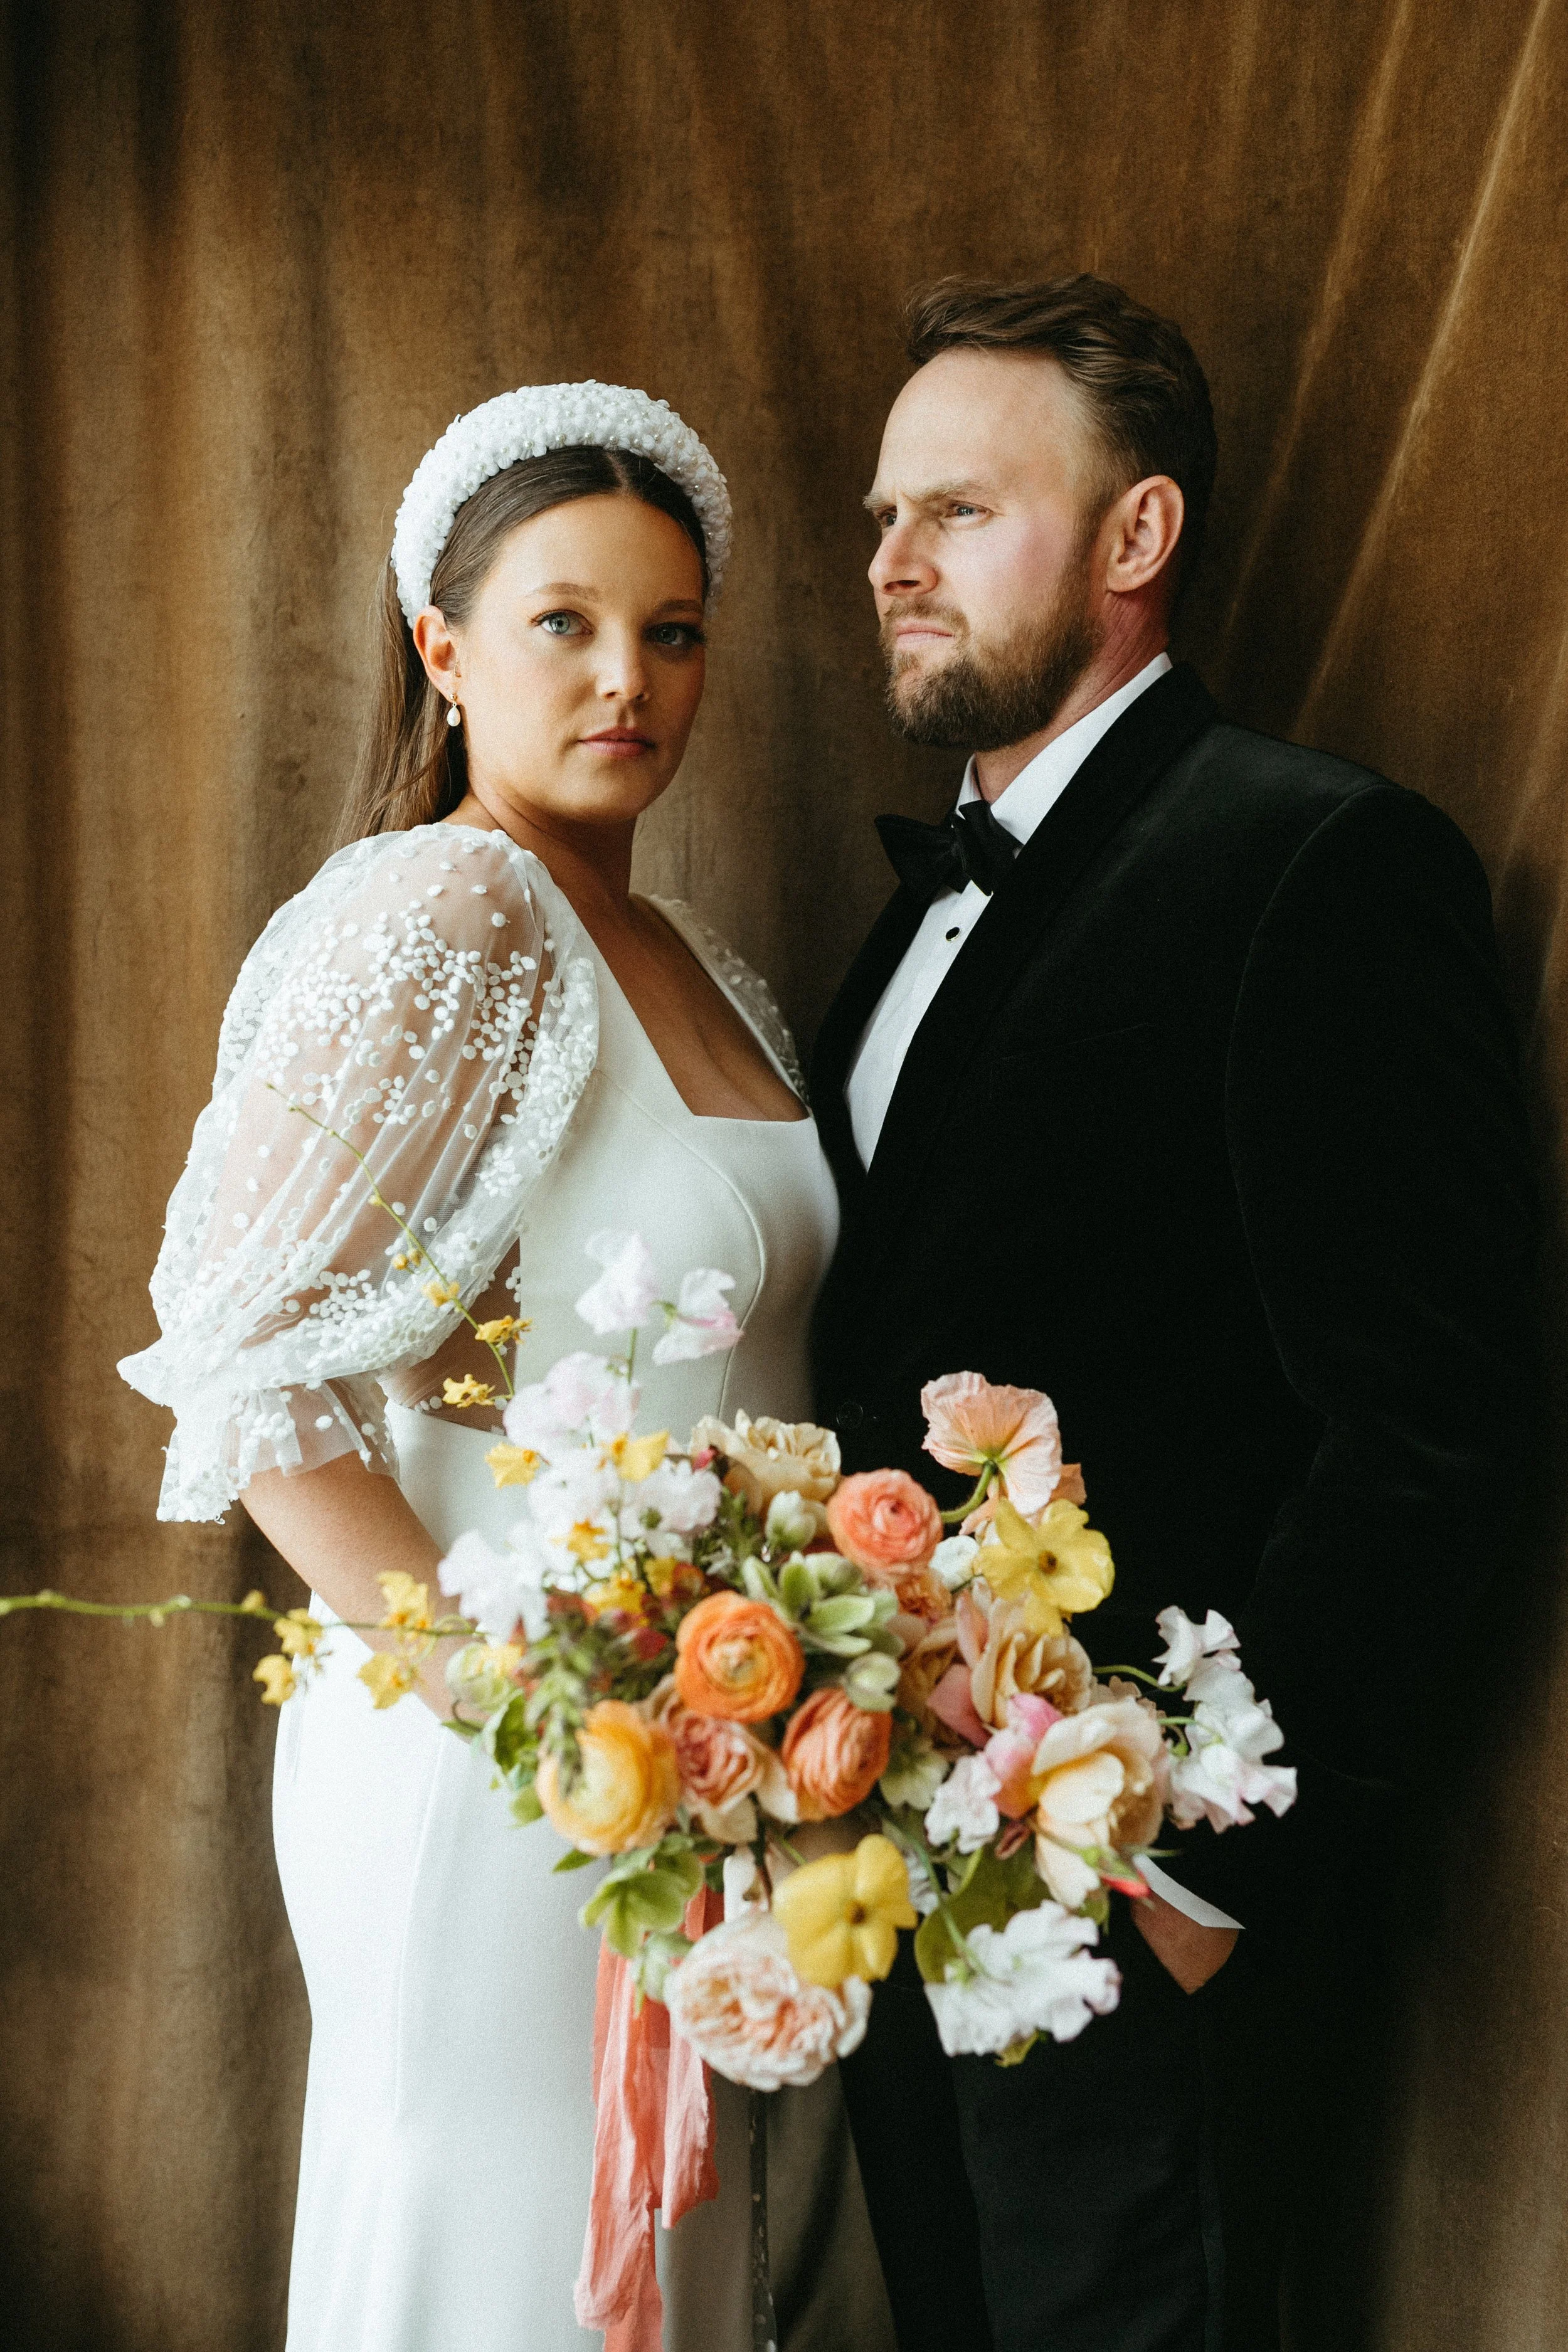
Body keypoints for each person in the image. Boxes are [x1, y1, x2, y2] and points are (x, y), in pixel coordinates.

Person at [119, 384, 893, 2352]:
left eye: (673, 629)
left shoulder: (694, 956)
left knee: (675, 2262)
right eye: (564, 622)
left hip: (703, 1747)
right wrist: (525, 1703)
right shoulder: (447, 905)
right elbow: (247, 1371)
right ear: (443, 650)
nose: (627, 678)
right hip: (511, 1777)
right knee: (513, 2270)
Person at [808, 277, 1541, 2351]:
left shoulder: (1322, 863)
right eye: (882, 516)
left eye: (953, 510)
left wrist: (1197, 1885)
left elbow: (1431, 1426)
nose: (887, 562)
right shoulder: (905, 920)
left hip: (1141, 1928)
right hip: (898, 1900)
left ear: (1135, 540)